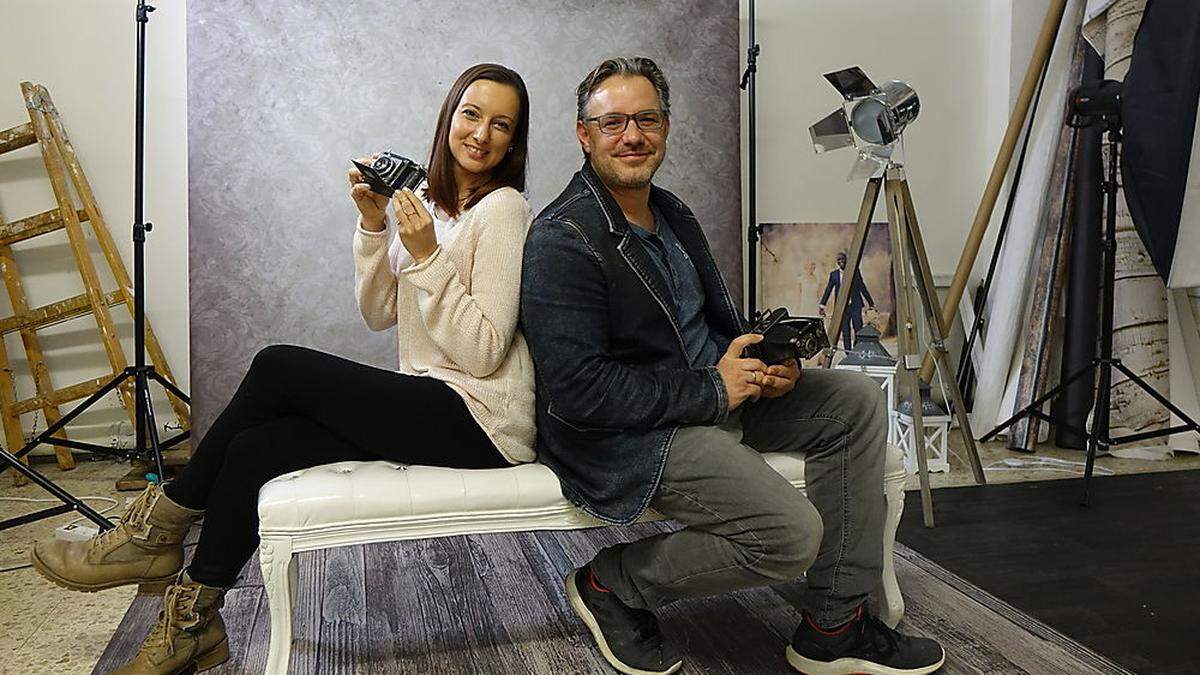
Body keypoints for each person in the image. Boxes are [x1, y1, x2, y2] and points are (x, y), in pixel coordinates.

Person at [30, 63, 536, 675]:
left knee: (277, 367)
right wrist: (374, 225)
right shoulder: (425, 203)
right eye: (471, 115)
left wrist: (428, 256)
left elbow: (484, 351)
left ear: (513, 141)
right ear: (448, 116)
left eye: (500, 125)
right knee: (253, 450)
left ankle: (156, 530)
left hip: (484, 421)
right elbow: (379, 314)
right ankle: (195, 623)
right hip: (428, 398)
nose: (481, 134)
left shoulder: (505, 210)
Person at [520, 57, 944, 675]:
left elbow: (713, 324)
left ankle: (834, 624)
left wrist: (766, 361)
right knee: (792, 536)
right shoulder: (562, 239)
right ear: (583, 135)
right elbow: (580, 390)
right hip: (637, 433)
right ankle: (612, 584)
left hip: (714, 394)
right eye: (612, 123)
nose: (631, 136)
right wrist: (713, 390)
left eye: (646, 119)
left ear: (666, 127)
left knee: (851, 401)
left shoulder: (671, 213)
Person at [818, 250, 877, 350]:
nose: (841, 261)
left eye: (843, 259)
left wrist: (871, 303)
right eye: (839, 260)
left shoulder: (854, 271)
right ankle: (848, 352)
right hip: (842, 308)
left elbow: (862, 287)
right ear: (837, 262)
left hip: (855, 305)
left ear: (847, 260)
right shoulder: (834, 275)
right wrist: (822, 305)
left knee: (858, 329)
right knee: (845, 330)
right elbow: (828, 289)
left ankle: (857, 349)